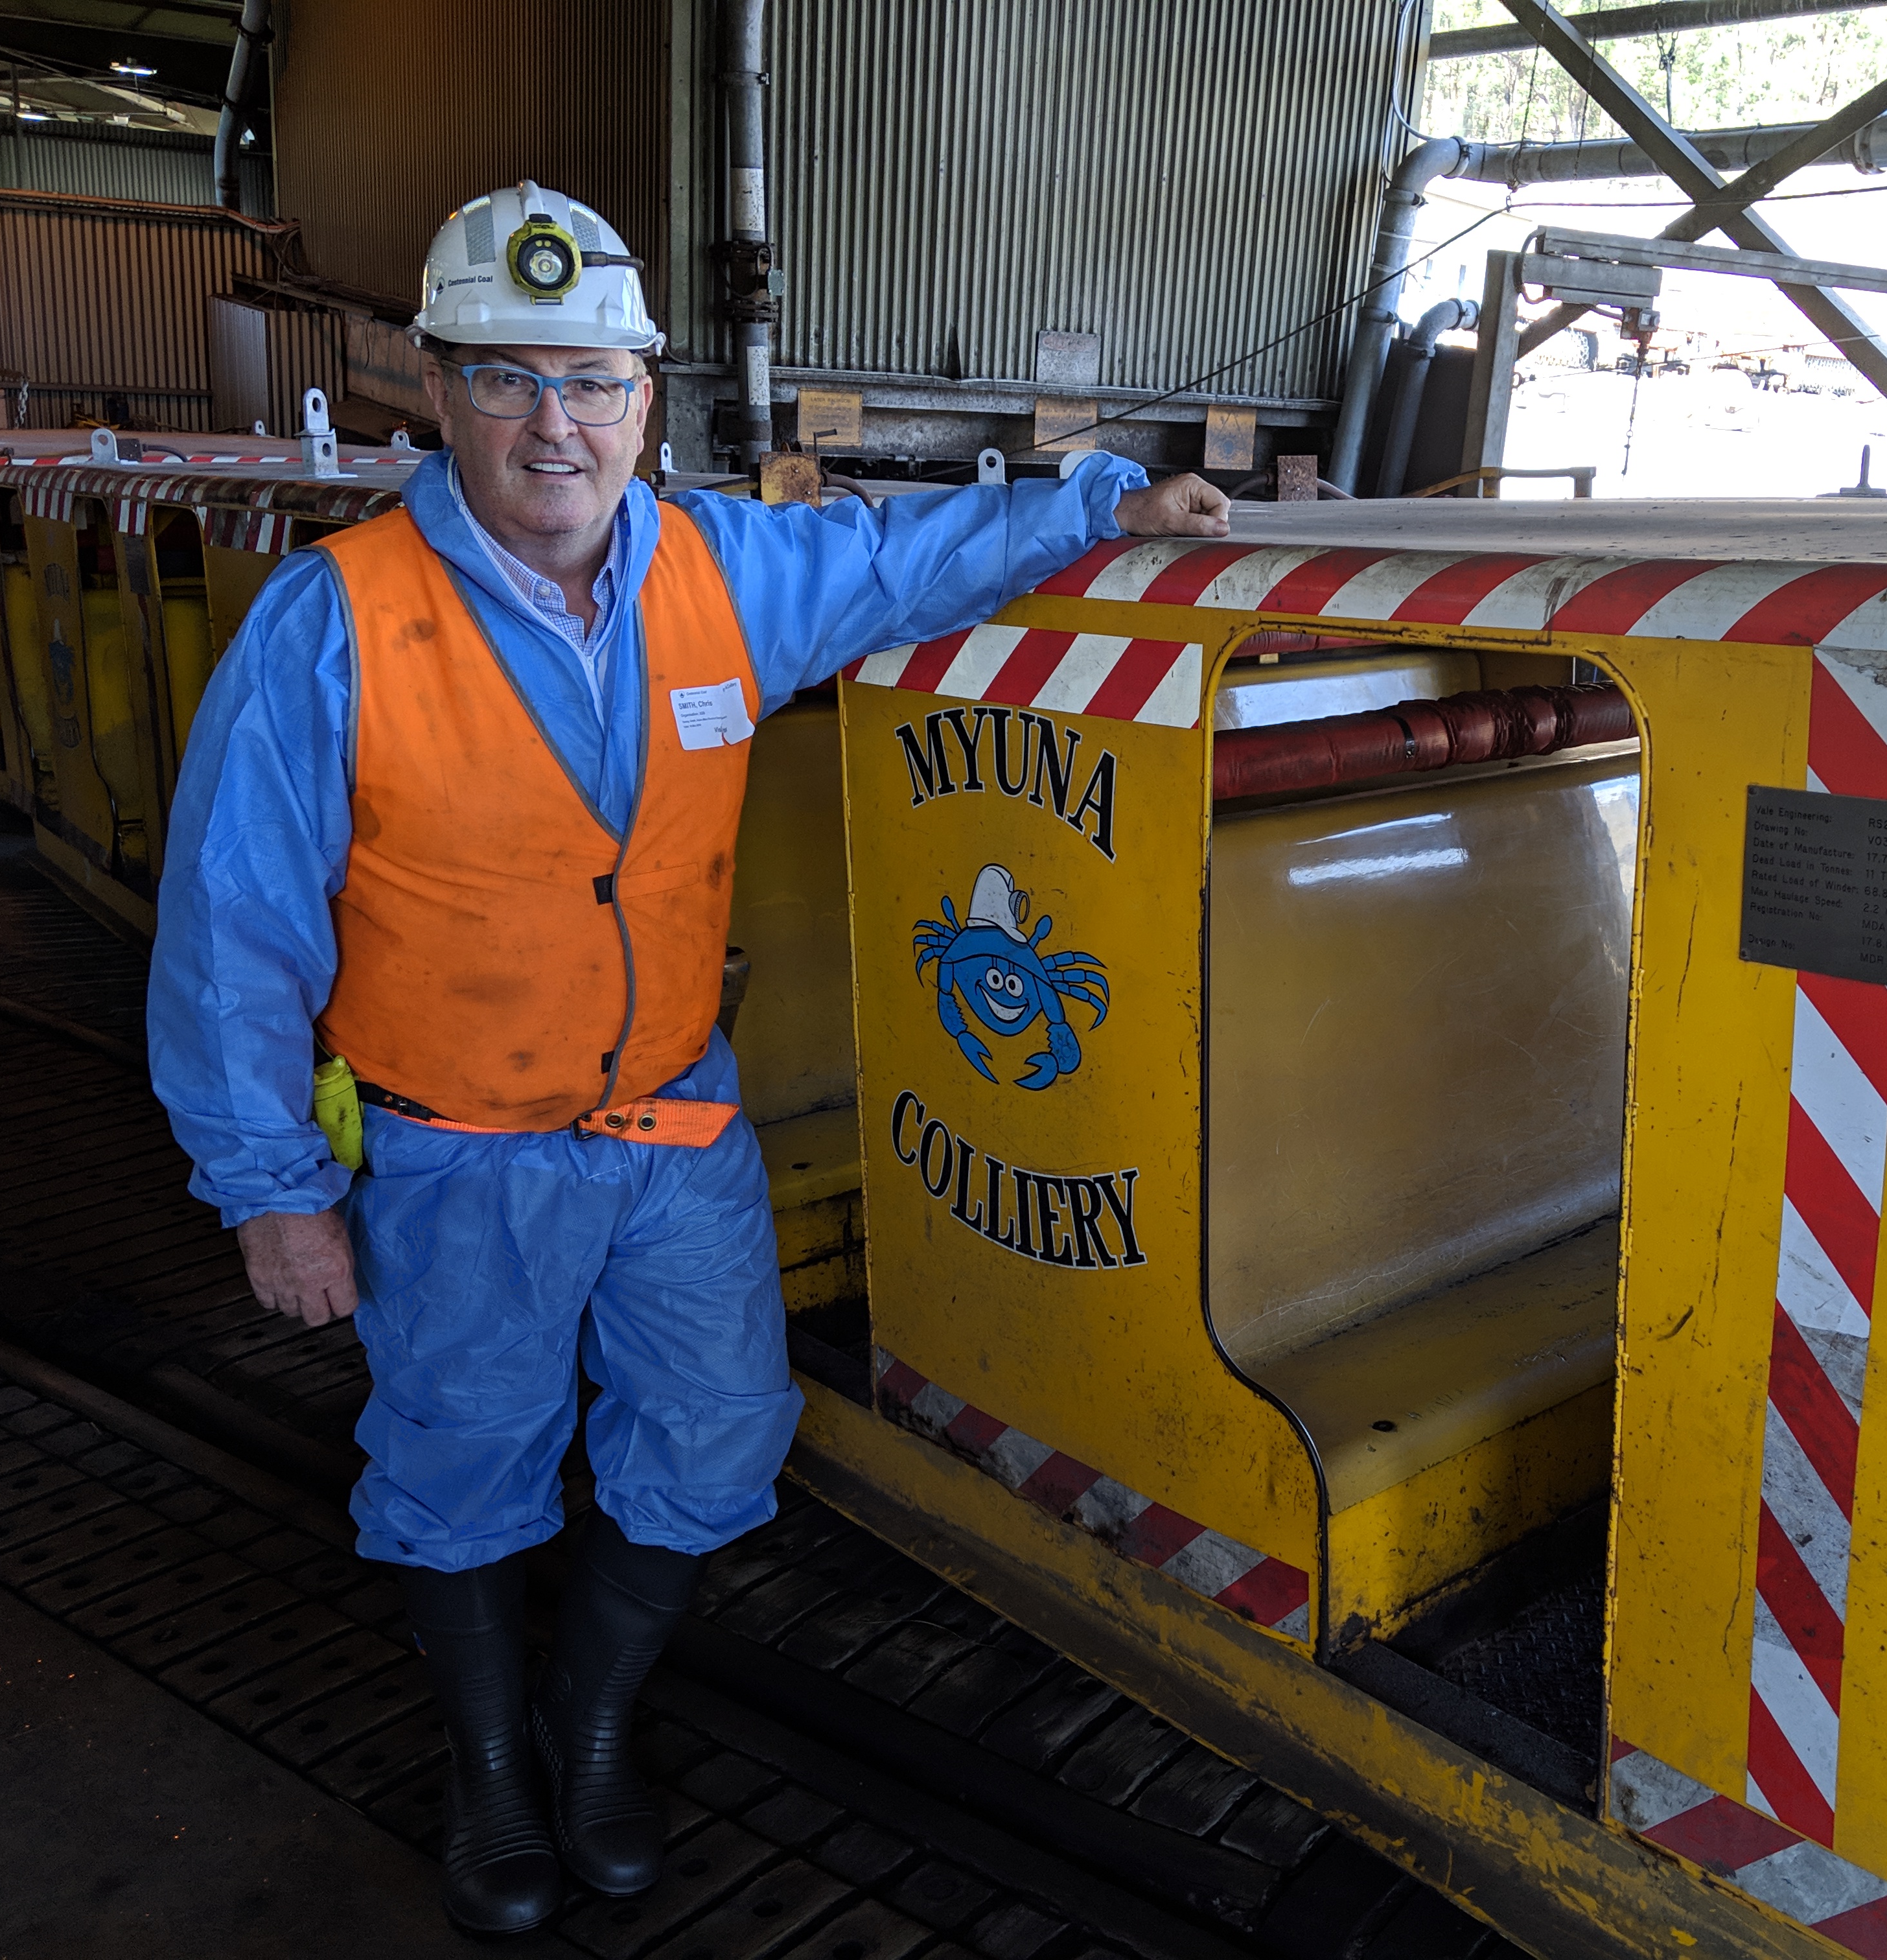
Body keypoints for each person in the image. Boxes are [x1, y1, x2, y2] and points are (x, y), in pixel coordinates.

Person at [146, 180, 1229, 1935]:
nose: (552, 427)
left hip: (672, 1127)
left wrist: (1105, 501)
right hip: (454, 1148)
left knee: (717, 1438)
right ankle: (494, 1768)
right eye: (506, 381)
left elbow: (909, 557)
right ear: (437, 393)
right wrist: (271, 1192)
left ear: (646, 399)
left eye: (590, 383)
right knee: (459, 1463)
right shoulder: (333, 619)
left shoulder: (723, 571)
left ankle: (588, 1732)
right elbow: (232, 928)